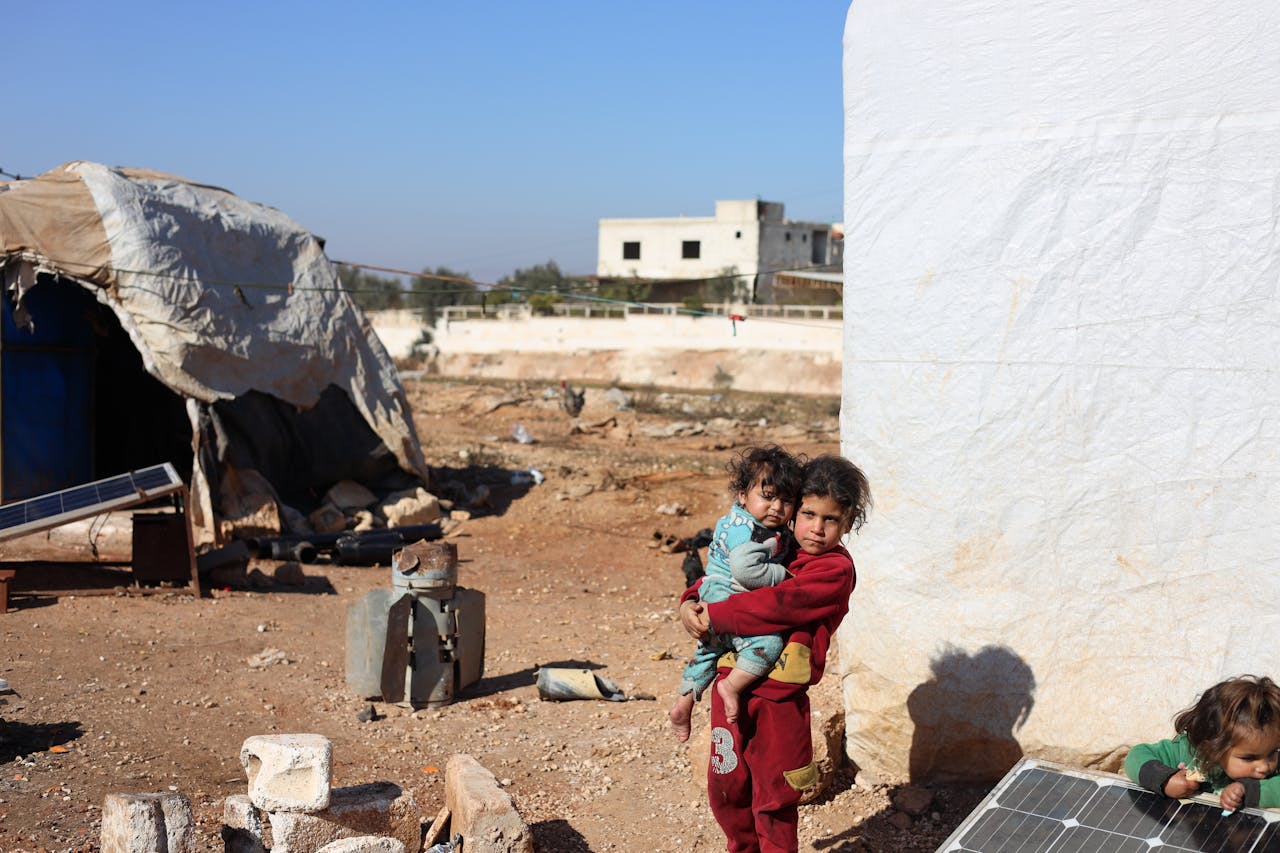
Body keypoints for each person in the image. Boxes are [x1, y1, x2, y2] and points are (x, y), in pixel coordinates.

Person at [679, 453, 870, 853]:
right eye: (808, 513)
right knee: (727, 788)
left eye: (831, 519)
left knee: (775, 797)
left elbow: (779, 604)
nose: (816, 528)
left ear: (848, 522)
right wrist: (691, 601)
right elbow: (723, 574)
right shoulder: (777, 544)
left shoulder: (833, 570)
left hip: (779, 703)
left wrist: (717, 615)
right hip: (729, 688)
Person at [669, 446, 804, 742]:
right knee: (768, 643)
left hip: (712, 593)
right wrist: (782, 575)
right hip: (726, 597)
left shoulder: (740, 520)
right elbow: (746, 571)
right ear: (743, 495)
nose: (777, 508)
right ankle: (731, 686)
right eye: (768, 497)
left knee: (708, 652)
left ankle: (683, 703)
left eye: (786, 501)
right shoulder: (751, 533)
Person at [1124, 674, 1280, 812]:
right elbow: (1136, 756)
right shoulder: (1187, 753)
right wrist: (1165, 779)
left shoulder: (1273, 767)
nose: (1265, 767)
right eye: (1249, 758)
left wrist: (1251, 791)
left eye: (1273, 752)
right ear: (1211, 747)